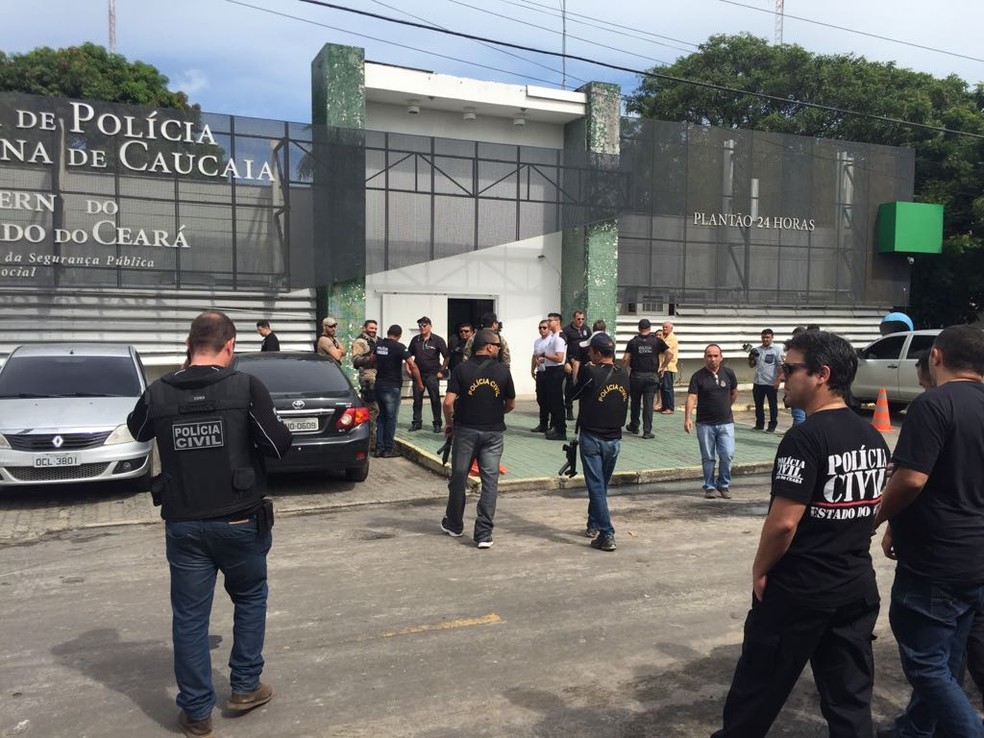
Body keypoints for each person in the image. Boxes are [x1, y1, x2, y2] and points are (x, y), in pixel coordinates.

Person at [712, 330, 888, 738]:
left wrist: (760, 568)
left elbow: (785, 522)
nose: (781, 377)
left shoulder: (805, 438)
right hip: (854, 586)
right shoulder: (872, 437)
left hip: (800, 591)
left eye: (790, 369)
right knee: (849, 703)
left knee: (754, 698)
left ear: (821, 374)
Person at [126, 310, 293, 738]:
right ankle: (244, 687)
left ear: (189, 344)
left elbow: (137, 429)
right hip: (240, 521)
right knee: (251, 598)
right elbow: (277, 445)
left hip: (184, 525)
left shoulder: (160, 392)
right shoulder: (246, 387)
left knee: (189, 617)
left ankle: (197, 713)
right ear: (231, 345)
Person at [874, 324, 984, 738]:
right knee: (949, 657)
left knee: (925, 662)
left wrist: (877, 518)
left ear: (935, 357)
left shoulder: (933, 405)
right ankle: (918, 729)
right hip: (975, 557)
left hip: (938, 560)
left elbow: (911, 479)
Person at [441, 327, 515, 548]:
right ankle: (483, 534)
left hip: (465, 431)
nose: (499, 350)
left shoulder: (461, 369)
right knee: (490, 482)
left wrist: (449, 423)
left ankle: (454, 524)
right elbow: (511, 404)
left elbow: (448, 402)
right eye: (497, 346)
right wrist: (494, 412)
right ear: (489, 346)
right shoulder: (503, 371)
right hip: (493, 433)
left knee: (459, 477)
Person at [573, 331, 629, 551]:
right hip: (614, 439)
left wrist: (579, 366)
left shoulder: (590, 371)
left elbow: (572, 392)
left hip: (593, 438)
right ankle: (593, 523)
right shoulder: (622, 372)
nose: (588, 354)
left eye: (590, 351)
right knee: (600, 486)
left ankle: (607, 533)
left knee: (596, 487)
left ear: (596, 353)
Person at [684, 344, 738, 499]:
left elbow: (734, 393)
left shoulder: (729, 373)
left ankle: (723, 485)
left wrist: (727, 407)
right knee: (708, 457)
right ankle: (709, 487)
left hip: (726, 423)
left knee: (727, 454)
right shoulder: (697, 376)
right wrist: (687, 418)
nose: (713, 359)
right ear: (704, 358)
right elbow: (691, 398)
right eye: (709, 356)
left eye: (715, 356)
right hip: (705, 424)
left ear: (721, 357)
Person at [373, 325, 423, 458]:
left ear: (388, 333)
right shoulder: (399, 347)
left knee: (382, 417)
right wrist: (419, 383)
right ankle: (388, 449)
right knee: (391, 418)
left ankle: (379, 448)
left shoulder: (379, 345)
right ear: (399, 335)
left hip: (379, 384)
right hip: (392, 386)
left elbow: (373, 361)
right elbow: (412, 365)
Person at [622, 318, 669, 440]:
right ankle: (647, 431)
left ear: (639, 328)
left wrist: (622, 371)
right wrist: (663, 367)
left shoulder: (633, 342)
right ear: (650, 328)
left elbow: (626, 359)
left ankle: (634, 425)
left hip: (636, 376)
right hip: (651, 376)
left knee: (635, 402)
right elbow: (670, 354)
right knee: (648, 404)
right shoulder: (657, 341)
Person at [407, 316, 450, 433]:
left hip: (432, 375)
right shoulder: (415, 340)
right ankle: (417, 422)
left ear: (430, 326)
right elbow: (408, 355)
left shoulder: (438, 340)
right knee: (417, 400)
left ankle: (437, 424)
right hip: (418, 375)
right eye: (420, 325)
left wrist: (441, 370)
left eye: (424, 325)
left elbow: (447, 356)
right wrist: (409, 369)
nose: (422, 327)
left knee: (435, 400)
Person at [748, 328, 784, 432]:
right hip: (758, 382)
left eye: (767, 337)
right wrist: (751, 358)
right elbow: (751, 365)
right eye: (763, 337)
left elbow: (781, 367)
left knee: (772, 405)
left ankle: (772, 426)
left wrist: (778, 381)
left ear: (772, 337)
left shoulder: (777, 349)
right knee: (758, 404)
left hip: (770, 382)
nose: (765, 339)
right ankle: (759, 424)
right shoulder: (757, 350)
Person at [351, 319, 379, 451]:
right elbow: (355, 361)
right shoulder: (360, 342)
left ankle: (376, 441)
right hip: (368, 377)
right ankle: (370, 443)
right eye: (371, 328)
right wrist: (370, 359)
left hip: (379, 376)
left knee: (377, 410)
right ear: (364, 328)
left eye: (375, 328)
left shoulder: (378, 340)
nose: (373, 330)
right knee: (371, 409)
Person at [541, 312, 568, 440]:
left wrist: (544, 355)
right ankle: (556, 427)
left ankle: (561, 430)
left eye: (550, 320)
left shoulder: (559, 338)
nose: (548, 322)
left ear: (557, 322)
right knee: (552, 401)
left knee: (557, 402)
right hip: (550, 369)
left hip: (556, 371)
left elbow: (559, 357)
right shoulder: (553, 337)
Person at [562, 310, 590, 421]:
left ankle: (584, 411)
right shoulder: (567, 331)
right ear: (574, 318)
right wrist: (566, 362)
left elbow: (590, 345)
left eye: (582, 319)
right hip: (572, 362)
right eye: (578, 319)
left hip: (583, 363)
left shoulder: (586, 329)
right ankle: (569, 410)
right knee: (570, 387)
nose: (580, 321)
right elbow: (563, 348)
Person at [530, 319, 552, 433]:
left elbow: (554, 356)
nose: (542, 330)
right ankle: (543, 424)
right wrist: (532, 369)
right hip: (540, 373)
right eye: (540, 328)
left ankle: (552, 424)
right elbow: (534, 356)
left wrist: (542, 360)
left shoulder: (551, 340)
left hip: (549, 372)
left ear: (549, 328)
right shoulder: (537, 341)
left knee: (550, 399)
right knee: (541, 398)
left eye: (544, 327)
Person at [786, 326, 808, 425]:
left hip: (800, 387)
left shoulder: (799, 353)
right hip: (804, 387)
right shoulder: (812, 352)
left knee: (799, 416)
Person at [659, 321, 679, 414]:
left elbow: (665, 349)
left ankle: (670, 407)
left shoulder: (671, 338)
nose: (664, 329)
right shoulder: (665, 337)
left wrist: (660, 340)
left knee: (668, 388)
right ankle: (664, 406)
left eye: (666, 327)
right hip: (662, 367)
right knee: (662, 388)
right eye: (663, 327)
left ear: (671, 328)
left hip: (669, 367)